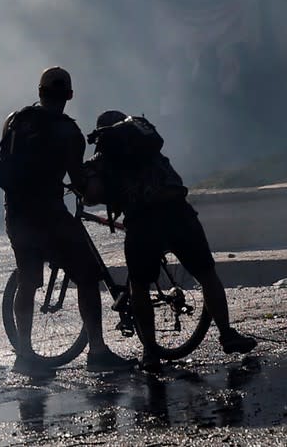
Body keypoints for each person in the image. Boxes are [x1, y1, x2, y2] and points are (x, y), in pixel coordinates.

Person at [84, 110, 257, 373]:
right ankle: (227, 334)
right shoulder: (146, 142)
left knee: (139, 286)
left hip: (143, 221)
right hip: (178, 210)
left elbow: (93, 194)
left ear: (103, 134)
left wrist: (87, 189)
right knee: (206, 273)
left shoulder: (105, 154)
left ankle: (151, 353)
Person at [0, 67, 135, 374]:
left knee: (27, 281)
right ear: (69, 95)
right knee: (86, 276)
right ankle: (97, 351)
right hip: (49, 214)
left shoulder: (15, 120)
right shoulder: (69, 132)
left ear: (40, 91)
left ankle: (25, 355)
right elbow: (79, 181)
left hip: (16, 213)